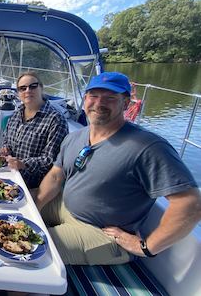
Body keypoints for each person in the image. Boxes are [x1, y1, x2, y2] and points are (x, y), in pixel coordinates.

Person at [32, 72, 201, 265]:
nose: (99, 103)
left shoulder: (148, 147)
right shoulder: (75, 137)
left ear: (126, 103)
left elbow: (191, 205)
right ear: (85, 99)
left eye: (110, 98)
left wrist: (145, 247)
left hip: (101, 233)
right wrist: (34, 208)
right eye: (93, 96)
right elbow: (55, 177)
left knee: (30, 250)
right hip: (65, 208)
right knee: (14, 207)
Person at [0, 71, 69, 188]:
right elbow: (6, 141)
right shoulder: (16, 115)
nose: (28, 91)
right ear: (18, 93)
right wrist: (5, 149)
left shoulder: (56, 120)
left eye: (33, 86)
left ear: (41, 88)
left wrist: (23, 164)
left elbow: (51, 160)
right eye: (22, 88)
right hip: (10, 177)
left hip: (35, 186)